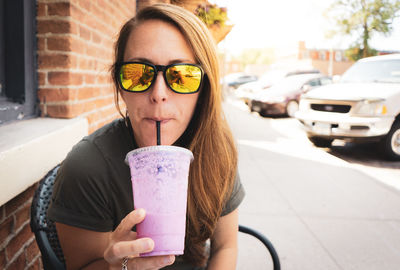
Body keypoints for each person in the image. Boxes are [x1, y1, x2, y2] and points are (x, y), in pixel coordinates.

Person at [48, 3, 245, 270]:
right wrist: (117, 266)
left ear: (204, 88)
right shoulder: (88, 167)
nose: (158, 93)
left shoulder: (216, 151)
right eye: (138, 74)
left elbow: (226, 246)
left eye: (182, 75)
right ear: (120, 85)